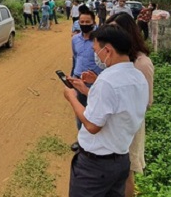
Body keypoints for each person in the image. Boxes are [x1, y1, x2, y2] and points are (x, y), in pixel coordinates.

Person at [63, 25, 149, 197]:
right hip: (121, 159)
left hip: (95, 167)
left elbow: (93, 125)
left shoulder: (107, 80)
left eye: (96, 50)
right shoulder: (138, 77)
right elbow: (115, 106)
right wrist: (86, 90)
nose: (96, 55)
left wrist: (71, 97)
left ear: (107, 50)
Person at [105, 13, 155, 197]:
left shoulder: (142, 63)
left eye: (115, 31)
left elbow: (147, 101)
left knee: (126, 172)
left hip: (130, 126)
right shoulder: (117, 58)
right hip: (112, 124)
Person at [69, 11, 102, 152]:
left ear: (93, 22)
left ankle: (96, 143)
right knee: (80, 112)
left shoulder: (99, 40)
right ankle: (81, 141)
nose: (84, 25)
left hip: (95, 82)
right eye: (81, 22)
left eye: (87, 22)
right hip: (78, 80)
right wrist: (72, 76)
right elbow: (75, 57)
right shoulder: (75, 39)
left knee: (96, 114)